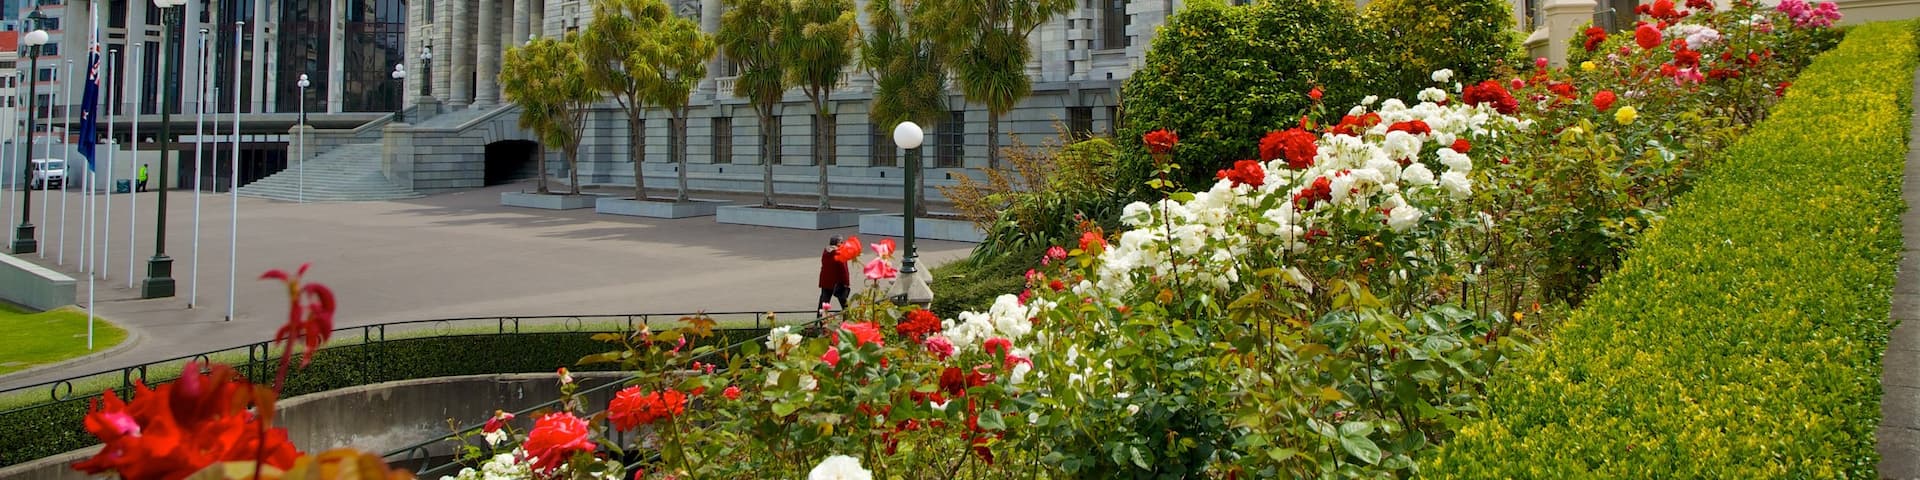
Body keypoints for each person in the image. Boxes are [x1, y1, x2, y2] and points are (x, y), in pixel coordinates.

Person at [818, 236, 851, 314]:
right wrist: (846, 283)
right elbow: (844, 270)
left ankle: (819, 321)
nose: (843, 244)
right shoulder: (839, 253)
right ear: (838, 243)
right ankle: (848, 320)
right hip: (838, 282)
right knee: (844, 304)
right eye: (841, 242)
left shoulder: (826, 251)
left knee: (823, 302)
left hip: (825, 281)